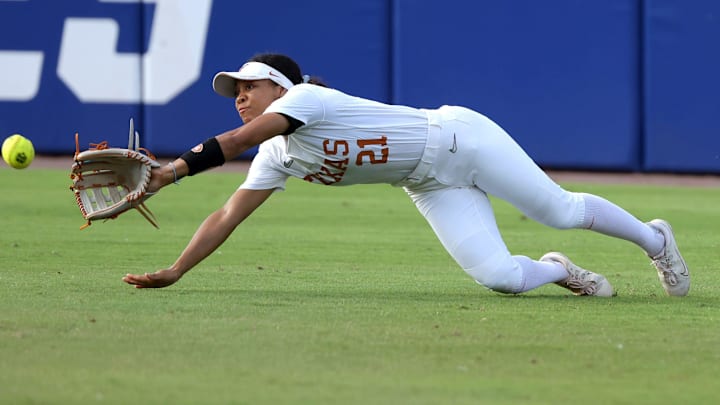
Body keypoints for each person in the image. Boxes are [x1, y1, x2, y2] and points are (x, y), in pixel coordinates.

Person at [122, 53, 690, 297]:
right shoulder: (279, 157)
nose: (240, 96)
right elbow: (228, 214)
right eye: (235, 91)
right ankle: (557, 271)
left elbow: (241, 139)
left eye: (250, 85)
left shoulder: (310, 99)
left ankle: (655, 240)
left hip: (461, 139)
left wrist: (171, 172)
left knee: (558, 211)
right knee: (500, 279)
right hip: (427, 183)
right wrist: (175, 270)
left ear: (281, 87)